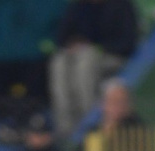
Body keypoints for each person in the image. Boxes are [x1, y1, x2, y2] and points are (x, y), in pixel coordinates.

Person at [49, 0, 139, 138]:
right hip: (81, 56)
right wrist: (74, 44)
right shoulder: (78, 6)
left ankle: (89, 119)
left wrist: (96, 48)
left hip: (114, 57)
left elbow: (127, 42)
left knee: (86, 59)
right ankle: (65, 125)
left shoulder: (121, 5)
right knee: (58, 62)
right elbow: (61, 38)